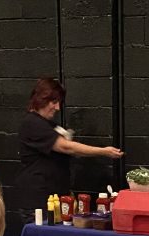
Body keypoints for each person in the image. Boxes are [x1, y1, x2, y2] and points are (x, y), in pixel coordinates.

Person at [14, 77, 124, 217]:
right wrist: (103, 151)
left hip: (53, 199)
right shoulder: (32, 123)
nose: (57, 107)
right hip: (39, 202)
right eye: (54, 102)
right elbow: (66, 147)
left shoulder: (48, 125)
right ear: (42, 99)